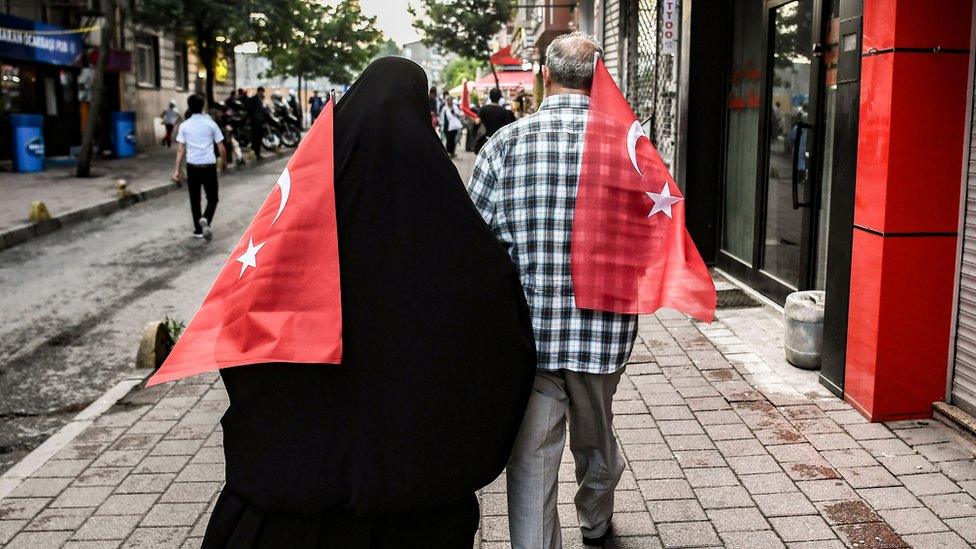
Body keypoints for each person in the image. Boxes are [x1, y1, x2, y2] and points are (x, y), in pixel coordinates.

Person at [201, 56, 536, 549]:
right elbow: (497, 328)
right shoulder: (449, 222)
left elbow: (246, 315)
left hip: (300, 495)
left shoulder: (299, 219)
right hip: (418, 494)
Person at [468, 32, 637, 548]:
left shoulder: (505, 145)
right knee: (597, 441)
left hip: (531, 336)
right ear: (599, 78)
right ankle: (595, 520)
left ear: (545, 76)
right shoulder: (630, 147)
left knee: (533, 459)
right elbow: (653, 237)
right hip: (603, 333)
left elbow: (476, 242)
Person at [172, 94, 226, 241]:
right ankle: (206, 218)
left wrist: (177, 169)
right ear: (203, 106)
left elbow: (180, 150)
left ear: (189, 107)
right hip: (209, 165)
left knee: (194, 199)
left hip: (192, 166)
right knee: (213, 198)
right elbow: (221, 148)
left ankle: (198, 230)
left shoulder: (184, 125)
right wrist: (224, 163)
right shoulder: (211, 124)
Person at [475, 87, 516, 153]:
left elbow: (477, 122)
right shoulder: (504, 111)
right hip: (500, 140)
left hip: (487, 140)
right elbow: (508, 127)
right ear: (500, 98)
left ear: (490, 97)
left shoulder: (484, 109)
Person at [245, 86, 267, 159]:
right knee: (256, 138)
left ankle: (257, 153)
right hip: (255, 122)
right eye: (262, 92)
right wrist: (253, 118)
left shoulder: (260, 99)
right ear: (259, 91)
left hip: (259, 122)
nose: (263, 93)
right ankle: (255, 153)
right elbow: (250, 109)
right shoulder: (254, 98)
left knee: (258, 138)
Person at [440, 93, 463, 158]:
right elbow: (442, 118)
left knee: (453, 140)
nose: (450, 101)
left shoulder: (455, 107)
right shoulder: (444, 109)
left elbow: (459, 114)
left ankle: (452, 152)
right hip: (447, 126)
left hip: (454, 127)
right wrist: (441, 126)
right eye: (448, 100)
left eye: (451, 100)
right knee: (448, 140)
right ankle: (448, 152)